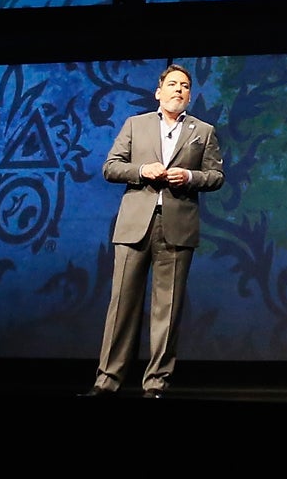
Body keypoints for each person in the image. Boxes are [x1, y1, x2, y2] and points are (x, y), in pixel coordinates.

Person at [82, 63, 224, 398]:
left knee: (167, 307)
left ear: (190, 95)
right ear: (158, 91)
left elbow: (216, 176)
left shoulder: (203, 131)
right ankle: (107, 381)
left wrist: (189, 177)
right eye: (173, 84)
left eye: (185, 86)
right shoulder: (136, 124)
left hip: (177, 225)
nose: (179, 90)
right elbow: (110, 167)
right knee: (122, 305)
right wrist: (142, 170)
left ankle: (156, 383)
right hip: (135, 225)